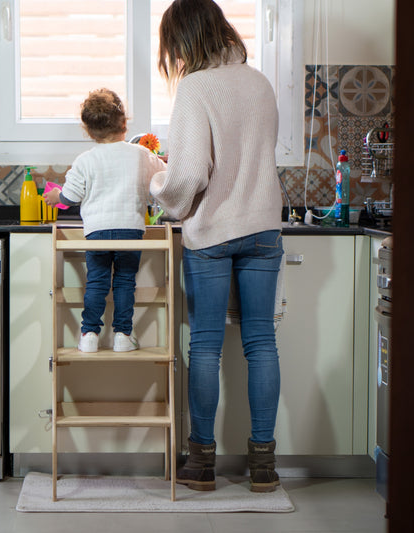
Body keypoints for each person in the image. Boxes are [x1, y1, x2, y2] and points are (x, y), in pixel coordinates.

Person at [150, 0, 284, 493]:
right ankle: (264, 466)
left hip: (212, 232)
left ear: (184, 40)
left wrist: (157, 191)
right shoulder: (260, 81)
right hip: (265, 226)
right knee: (261, 343)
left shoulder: (197, 86)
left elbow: (188, 175)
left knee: (204, 344)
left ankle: (201, 462)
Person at [44, 88, 166, 353]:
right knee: (124, 281)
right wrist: (162, 160)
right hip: (131, 230)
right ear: (124, 122)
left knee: (97, 281)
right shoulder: (140, 154)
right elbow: (163, 177)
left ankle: (89, 334)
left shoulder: (85, 160)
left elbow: (71, 195)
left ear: (88, 131)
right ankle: (123, 335)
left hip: (97, 231)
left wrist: (56, 195)